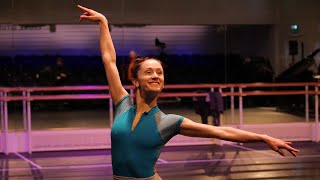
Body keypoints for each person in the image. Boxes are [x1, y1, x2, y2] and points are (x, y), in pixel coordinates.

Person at [78, 5, 299, 180]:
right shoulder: (122, 104)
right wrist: (104, 23)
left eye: (160, 73)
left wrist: (263, 137)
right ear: (135, 81)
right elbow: (109, 61)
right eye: (149, 72)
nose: (156, 76)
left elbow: (222, 132)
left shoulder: (169, 122)